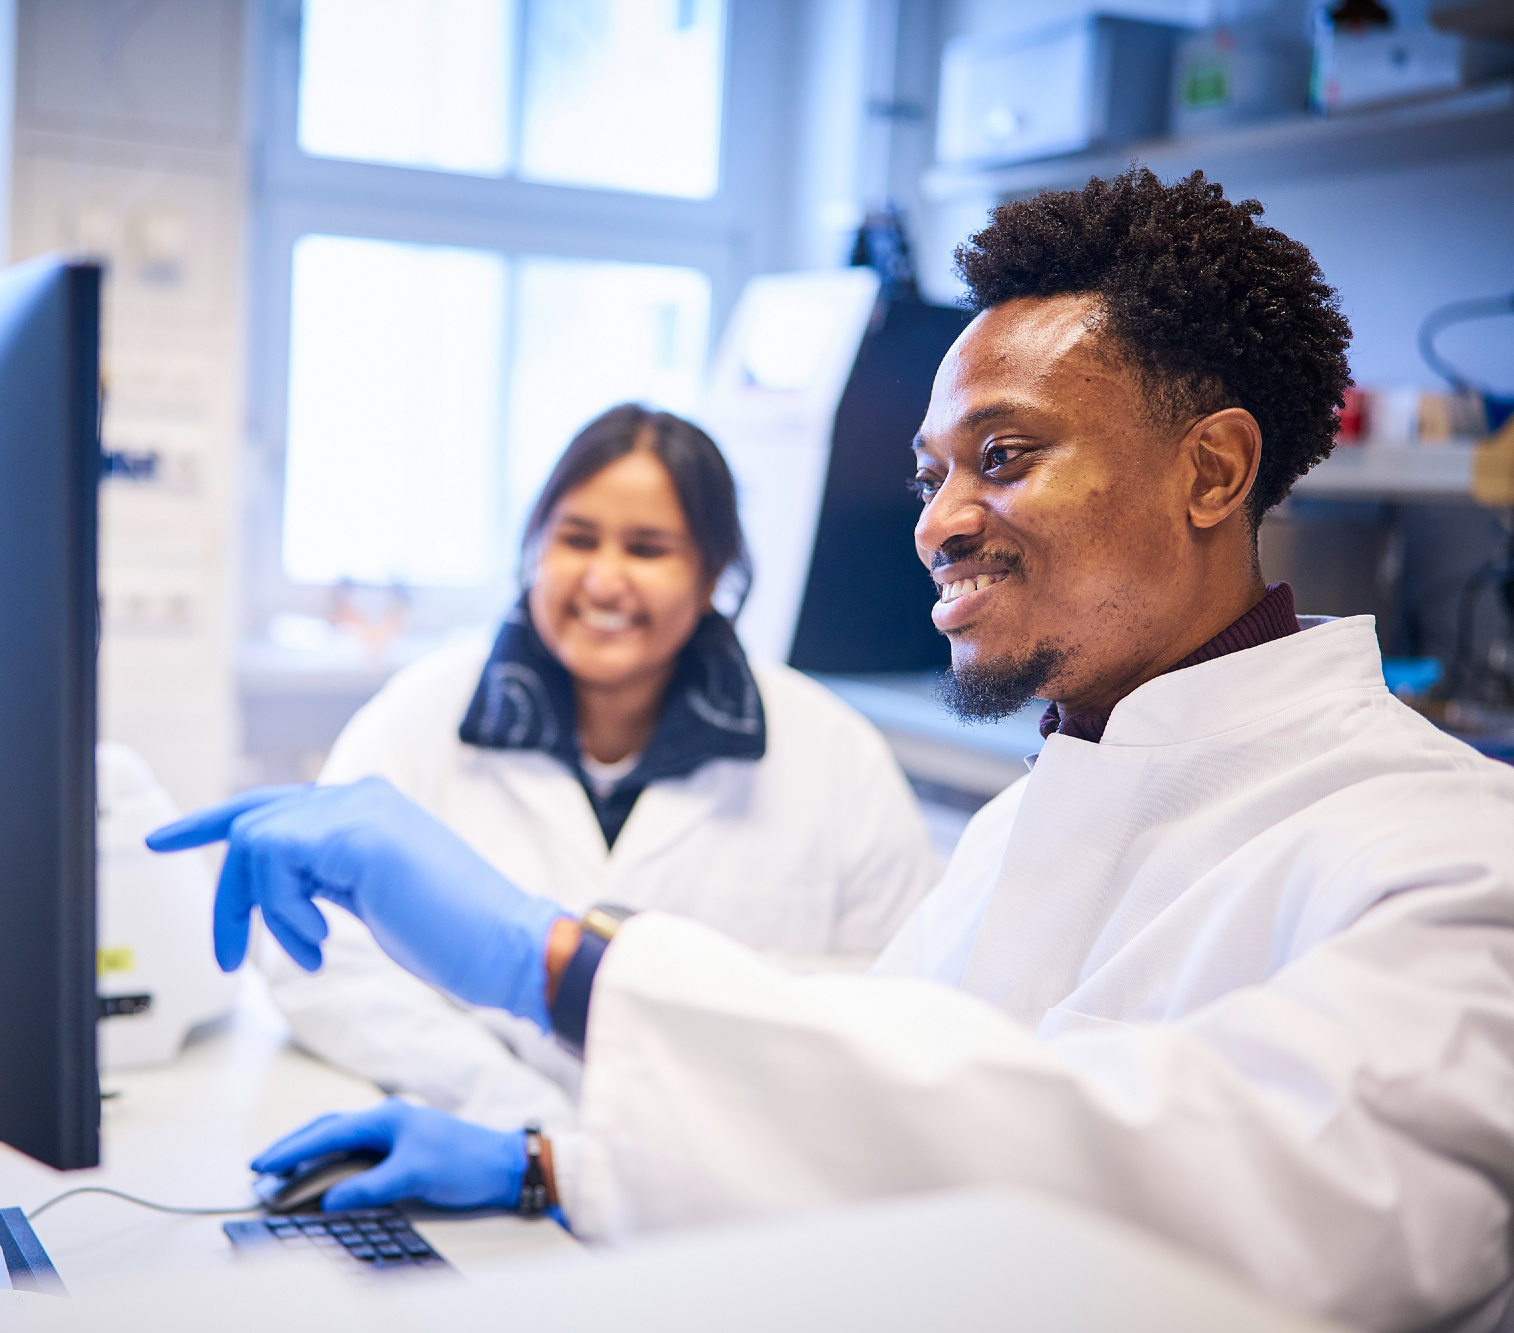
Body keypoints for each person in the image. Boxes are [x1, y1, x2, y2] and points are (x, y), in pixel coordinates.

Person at [153, 170, 1514, 1332]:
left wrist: (560, 963)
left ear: (1211, 472)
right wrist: (548, 1165)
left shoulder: (1450, 857)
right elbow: (871, 1133)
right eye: (931, 474)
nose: (937, 521)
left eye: (1003, 454)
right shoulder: (1034, 818)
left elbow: (1222, 1199)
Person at [256, 405, 940, 1132]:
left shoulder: (833, 753)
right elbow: (323, 963)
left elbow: (901, 998)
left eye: (647, 549)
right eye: (577, 539)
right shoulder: (418, 719)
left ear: (711, 572)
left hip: (730, 1164)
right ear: (536, 550)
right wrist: (517, 1116)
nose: (604, 581)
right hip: (471, 1137)